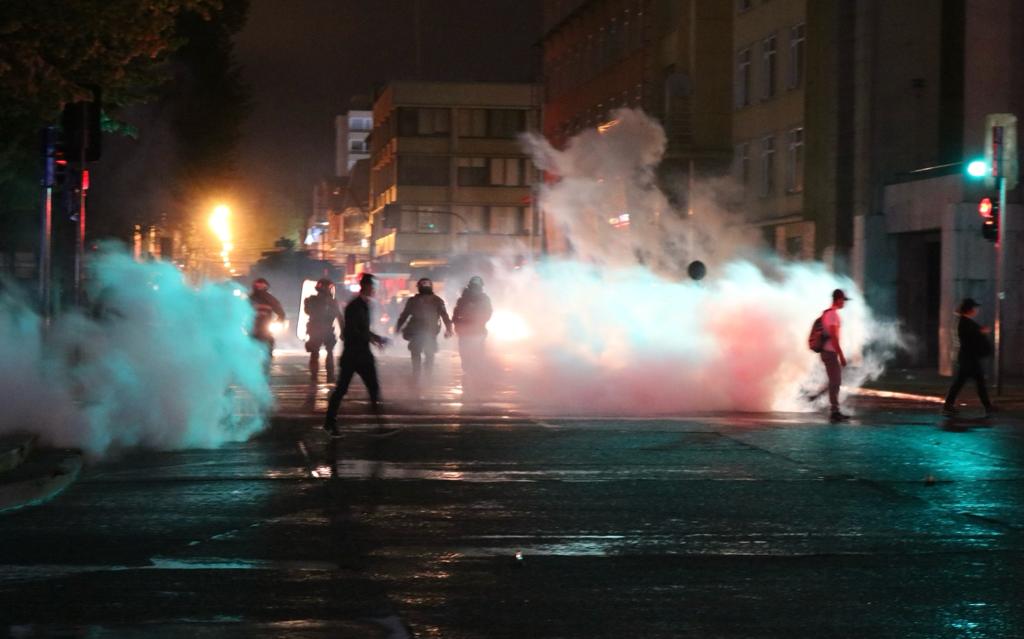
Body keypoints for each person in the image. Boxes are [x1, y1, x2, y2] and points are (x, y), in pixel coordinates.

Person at [323, 273, 390, 436]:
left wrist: (375, 338)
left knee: (373, 388)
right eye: (373, 287)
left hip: (362, 354)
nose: (375, 290)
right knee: (342, 389)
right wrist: (373, 339)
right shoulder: (355, 306)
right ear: (366, 286)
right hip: (354, 355)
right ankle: (329, 422)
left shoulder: (364, 305)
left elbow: (362, 330)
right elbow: (353, 330)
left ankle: (381, 425)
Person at [942, 298, 995, 417]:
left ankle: (987, 406)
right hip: (968, 358)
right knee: (967, 382)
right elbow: (970, 337)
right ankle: (948, 406)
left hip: (968, 358)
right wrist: (981, 332)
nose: (976, 310)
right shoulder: (964, 322)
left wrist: (980, 331)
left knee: (969, 382)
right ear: (969, 309)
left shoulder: (963, 321)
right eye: (974, 308)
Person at [395, 277, 453, 379]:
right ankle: (427, 376)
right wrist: (449, 329)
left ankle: (417, 375)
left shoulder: (413, 300)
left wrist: (398, 327)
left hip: (418, 332)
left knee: (416, 353)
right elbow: (445, 316)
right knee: (429, 354)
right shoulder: (437, 300)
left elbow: (404, 316)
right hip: (429, 332)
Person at [819, 288, 850, 422]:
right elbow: (834, 338)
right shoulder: (832, 315)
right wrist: (841, 355)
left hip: (828, 352)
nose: (844, 302)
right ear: (838, 299)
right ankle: (834, 411)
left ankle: (831, 407)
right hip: (830, 352)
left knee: (833, 381)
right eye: (843, 300)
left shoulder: (828, 313)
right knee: (835, 382)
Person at [303, 278, 342, 383]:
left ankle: (314, 377)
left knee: (315, 353)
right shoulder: (332, 302)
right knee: (328, 352)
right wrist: (343, 331)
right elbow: (339, 316)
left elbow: (307, 311)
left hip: (315, 329)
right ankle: (329, 376)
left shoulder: (311, 300)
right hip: (326, 329)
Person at [452, 276, 493, 374]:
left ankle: (472, 371)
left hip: (473, 331)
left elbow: (455, 314)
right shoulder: (481, 298)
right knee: (474, 353)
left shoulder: (464, 299)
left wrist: (457, 325)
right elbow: (456, 314)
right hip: (472, 331)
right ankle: (473, 372)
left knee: (472, 353)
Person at [249, 277, 286, 356]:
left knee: (267, 344)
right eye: (258, 285)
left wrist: (279, 320)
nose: (259, 287)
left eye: (261, 285)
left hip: (263, 328)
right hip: (253, 328)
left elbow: (281, 313)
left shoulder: (269, 299)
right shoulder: (250, 298)